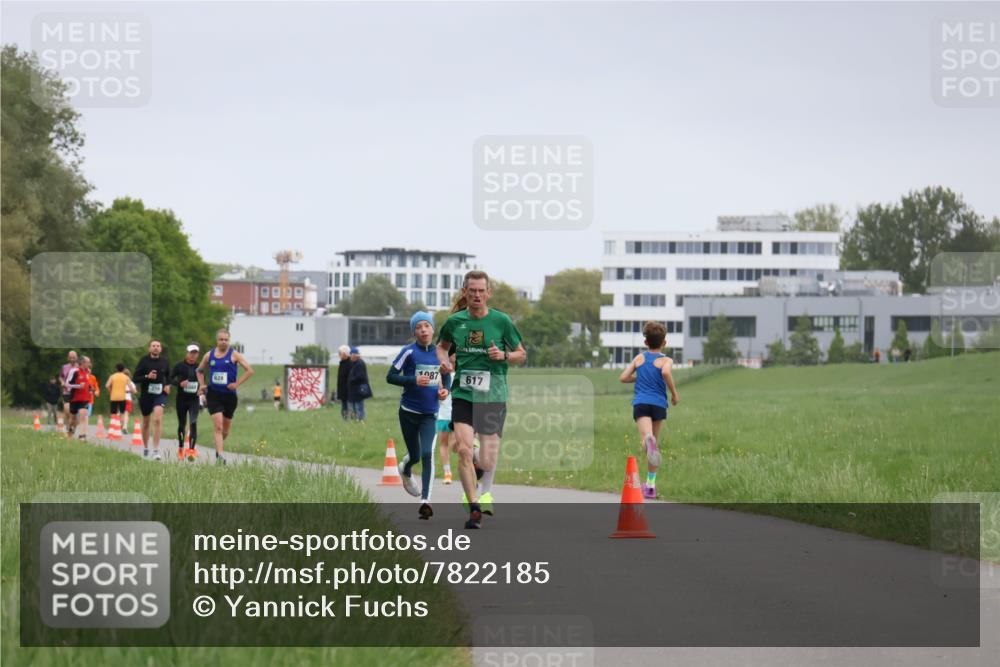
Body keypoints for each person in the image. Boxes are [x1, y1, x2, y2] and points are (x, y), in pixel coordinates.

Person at [436, 271, 526, 529]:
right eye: (472, 290)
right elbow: (441, 346)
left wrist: (504, 356)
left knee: (486, 461)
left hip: (493, 395)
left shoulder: (501, 321)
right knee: (463, 449)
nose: (476, 295)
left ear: (488, 293)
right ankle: (474, 507)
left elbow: (521, 354)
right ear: (464, 292)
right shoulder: (455, 322)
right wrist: (444, 361)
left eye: (481, 291)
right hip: (464, 394)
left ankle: (477, 465)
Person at [387, 312, 452, 520]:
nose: (423, 330)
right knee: (414, 456)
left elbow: (446, 377)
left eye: (426, 326)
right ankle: (405, 469)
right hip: (408, 412)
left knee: (427, 454)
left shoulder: (440, 353)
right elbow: (390, 376)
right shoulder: (408, 352)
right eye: (418, 327)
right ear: (414, 332)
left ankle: (425, 500)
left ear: (433, 329)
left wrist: (445, 391)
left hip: (430, 414)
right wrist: (413, 380)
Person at [619, 321, 680, 500]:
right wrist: (674, 394)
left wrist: (638, 377)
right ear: (664, 343)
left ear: (645, 342)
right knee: (654, 447)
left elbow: (623, 377)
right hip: (659, 405)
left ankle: (648, 440)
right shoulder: (666, 360)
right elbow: (666, 373)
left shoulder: (639, 358)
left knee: (647, 440)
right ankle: (651, 486)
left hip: (642, 403)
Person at [197, 329, 254, 464]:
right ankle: (220, 456)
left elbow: (250, 370)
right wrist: (202, 385)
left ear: (229, 341)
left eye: (226, 340)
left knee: (225, 431)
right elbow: (199, 370)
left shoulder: (234, 354)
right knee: (218, 426)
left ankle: (218, 445)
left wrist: (237, 384)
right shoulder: (209, 355)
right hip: (214, 395)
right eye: (221, 339)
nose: (223, 342)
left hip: (229, 396)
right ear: (217, 340)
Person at [134, 340, 172, 460]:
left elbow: (169, 376)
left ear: (161, 349)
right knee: (146, 422)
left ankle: (156, 450)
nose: (156, 348)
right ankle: (146, 447)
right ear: (149, 348)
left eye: (158, 346)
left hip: (160, 395)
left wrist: (168, 385)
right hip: (146, 396)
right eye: (153, 346)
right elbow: (135, 378)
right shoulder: (144, 361)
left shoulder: (164, 361)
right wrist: (147, 376)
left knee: (157, 420)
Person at [171, 343, 203, 462]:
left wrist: (202, 389)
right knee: (182, 424)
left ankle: (191, 450)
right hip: (181, 399)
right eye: (191, 353)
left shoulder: (200, 367)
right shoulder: (179, 366)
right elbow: (170, 378)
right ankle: (181, 448)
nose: (193, 355)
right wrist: (179, 383)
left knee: (193, 423)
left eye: (195, 353)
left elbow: (204, 381)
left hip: (194, 399)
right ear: (187, 353)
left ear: (197, 354)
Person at [65, 356, 94, 441]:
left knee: (83, 415)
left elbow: (86, 383)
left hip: (85, 398)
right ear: (82, 363)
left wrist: (90, 388)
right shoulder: (74, 371)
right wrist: (78, 386)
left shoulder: (88, 372)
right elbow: (67, 384)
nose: (90, 364)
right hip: (74, 398)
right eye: (88, 362)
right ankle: (70, 431)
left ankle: (82, 436)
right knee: (72, 419)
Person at [347, 347, 370, 421]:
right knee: (355, 404)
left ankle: (361, 418)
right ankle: (356, 418)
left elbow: (361, 376)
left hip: (358, 388)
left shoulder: (359, 363)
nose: (350, 357)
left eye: (351, 355)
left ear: (355, 355)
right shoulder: (355, 363)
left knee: (359, 405)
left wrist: (351, 380)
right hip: (355, 388)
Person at [59, 350, 78, 427]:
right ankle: (69, 426)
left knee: (73, 413)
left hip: (76, 392)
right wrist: (62, 382)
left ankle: (72, 428)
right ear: (68, 358)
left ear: (76, 358)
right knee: (67, 410)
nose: (72, 359)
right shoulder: (64, 367)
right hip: (66, 392)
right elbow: (61, 377)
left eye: (74, 357)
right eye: (71, 357)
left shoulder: (79, 367)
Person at [336, 345, 354, 420]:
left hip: (348, 391)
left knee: (349, 406)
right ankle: (345, 419)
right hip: (342, 390)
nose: (339, 355)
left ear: (345, 354)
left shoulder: (350, 364)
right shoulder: (342, 363)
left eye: (340, 353)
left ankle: (352, 419)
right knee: (343, 406)